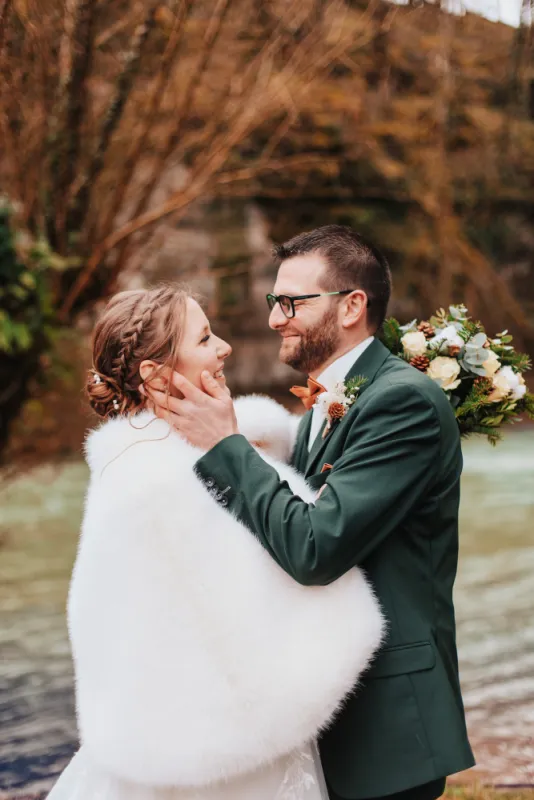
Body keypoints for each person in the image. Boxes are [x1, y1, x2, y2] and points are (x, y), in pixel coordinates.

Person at [145, 226, 476, 800]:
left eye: (292, 302)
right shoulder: (327, 403)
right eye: (276, 301)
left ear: (352, 306)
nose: (276, 318)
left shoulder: (403, 402)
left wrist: (228, 447)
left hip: (387, 722)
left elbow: (315, 549)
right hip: (321, 706)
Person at [47, 284, 385, 800]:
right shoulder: (163, 480)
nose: (225, 347)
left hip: (182, 734)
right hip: (221, 753)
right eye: (205, 338)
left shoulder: (150, 458)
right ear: (156, 375)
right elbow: (242, 616)